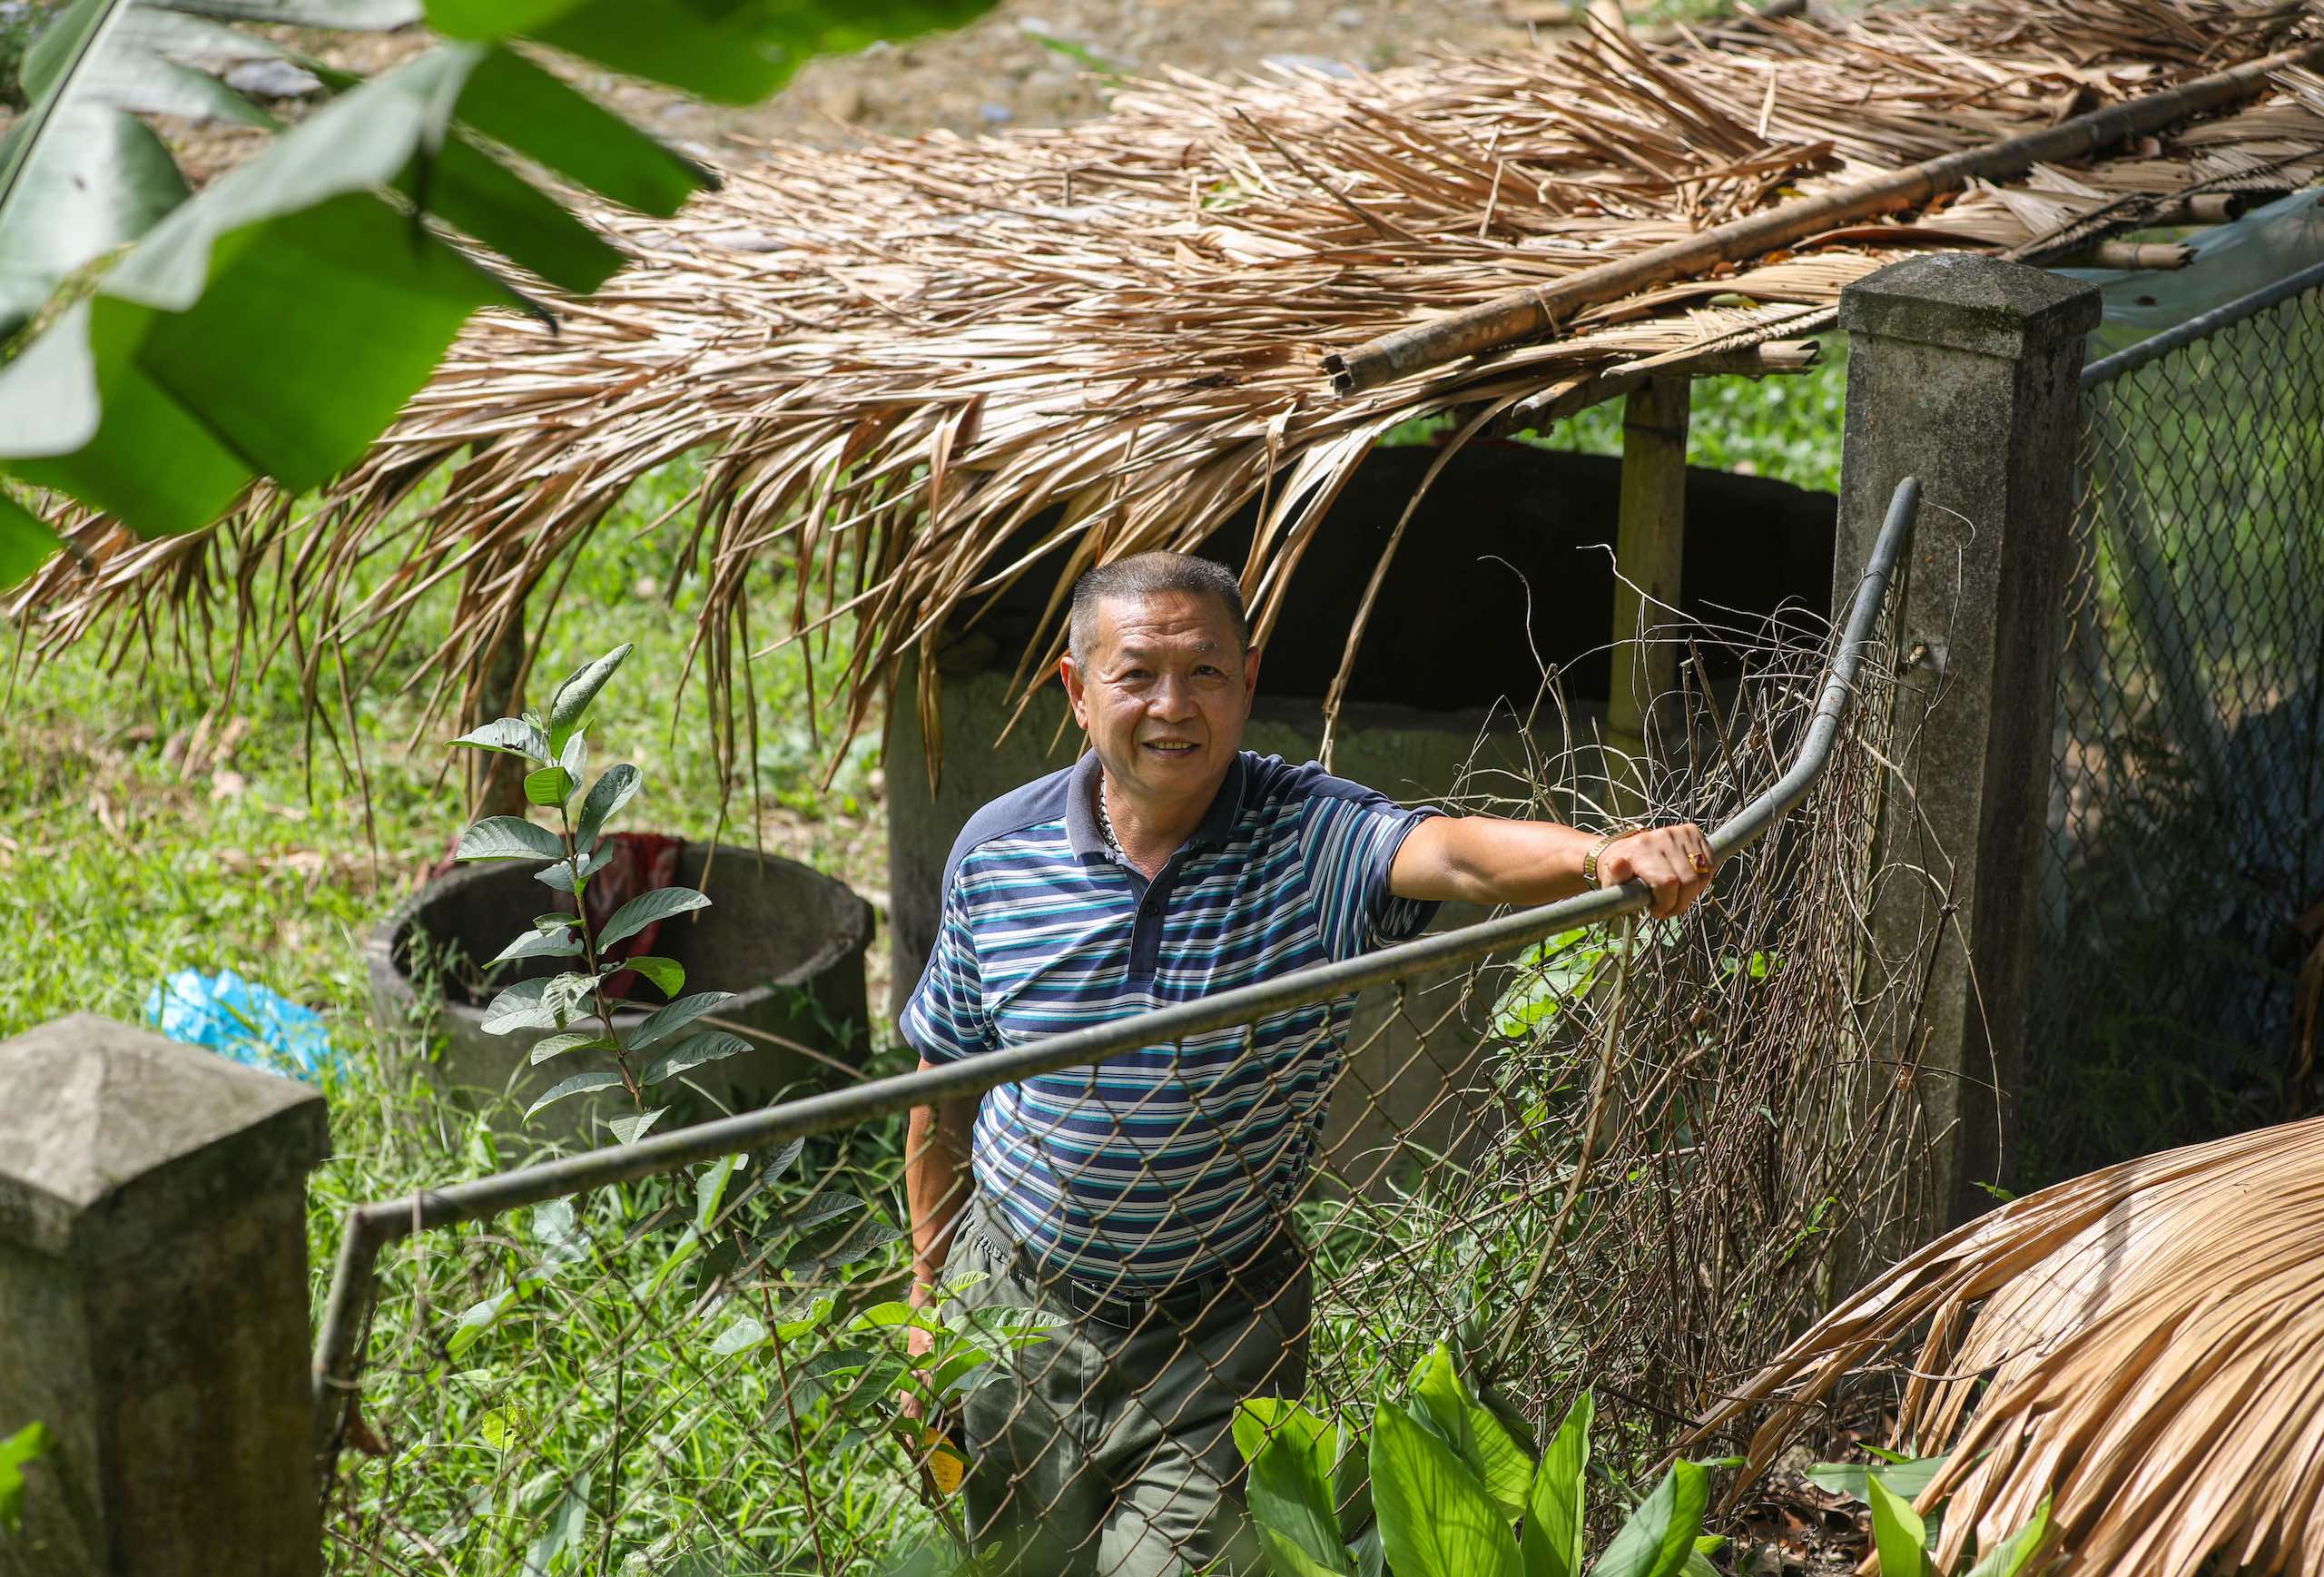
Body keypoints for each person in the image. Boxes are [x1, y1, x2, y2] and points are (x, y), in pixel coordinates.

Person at [899, 551, 1715, 1576]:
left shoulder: (1310, 836)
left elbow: (1455, 855)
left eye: (1204, 673)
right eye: (1137, 673)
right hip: (1014, 1309)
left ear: (1246, 683)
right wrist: (928, 1308)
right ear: (1076, 690)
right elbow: (943, 1095)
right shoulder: (995, 852)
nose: (1172, 706)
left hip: (1216, 1330)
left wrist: (1601, 857)